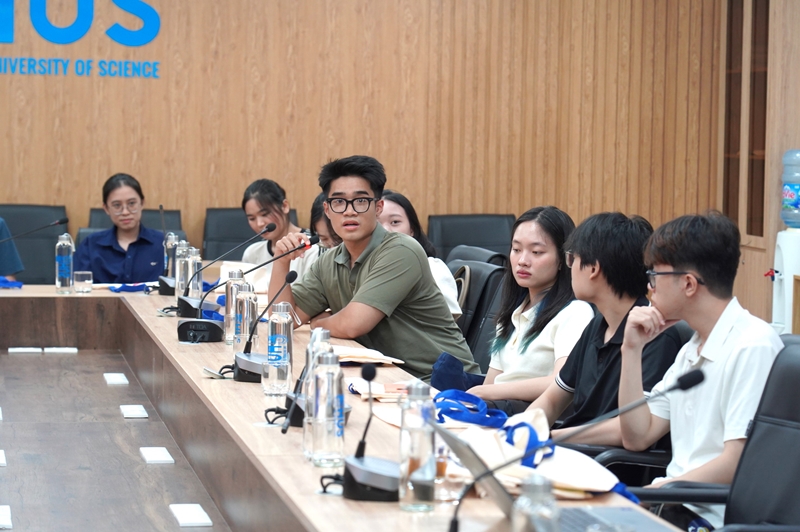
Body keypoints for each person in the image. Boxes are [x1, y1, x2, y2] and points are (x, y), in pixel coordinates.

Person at [617, 212, 783, 530]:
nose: (650, 288)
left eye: (655, 275)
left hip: (711, 519)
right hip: (674, 506)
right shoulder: (692, 348)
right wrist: (632, 350)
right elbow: (637, 437)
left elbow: (737, 462)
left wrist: (657, 492)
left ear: (689, 284)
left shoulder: (753, 346)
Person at [268, 155, 478, 380]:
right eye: (339, 202)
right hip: (387, 378)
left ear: (378, 207)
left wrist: (318, 323)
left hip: (441, 382)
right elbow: (284, 318)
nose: (349, 211)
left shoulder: (401, 250)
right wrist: (281, 261)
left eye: (360, 201)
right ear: (327, 210)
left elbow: (353, 325)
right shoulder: (329, 261)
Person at [527, 212, 683, 444]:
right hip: (569, 450)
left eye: (573, 259)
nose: (570, 268)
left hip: (605, 460)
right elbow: (552, 400)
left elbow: (630, 429)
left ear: (593, 269)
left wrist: (549, 438)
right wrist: (520, 429)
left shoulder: (657, 335)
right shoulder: (596, 325)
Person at [463, 206, 594, 412]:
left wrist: (489, 392)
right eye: (516, 250)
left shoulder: (575, 312)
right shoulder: (513, 312)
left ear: (563, 259)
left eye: (536, 252)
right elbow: (491, 382)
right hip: (497, 410)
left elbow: (563, 381)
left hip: (530, 418)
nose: (522, 261)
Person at [378, 190, 461, 318]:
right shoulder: (361, 268)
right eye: (376, 224)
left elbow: (447, 320)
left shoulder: (432, 268)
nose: (386, 230)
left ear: (412, 229)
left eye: (395, 222)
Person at [74, 174, 164, 284]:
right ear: (106, 209)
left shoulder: (164, 245)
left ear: (142, 203)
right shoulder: (90, 245)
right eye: (117, 205)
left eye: (131, 203)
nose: (125, 212)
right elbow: (79, 288)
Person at [239, 179, 321, 292]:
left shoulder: (311, 245)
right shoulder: (252, 253)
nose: (259, 223)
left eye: (265, 214)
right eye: (252, 218)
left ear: (285, 206)